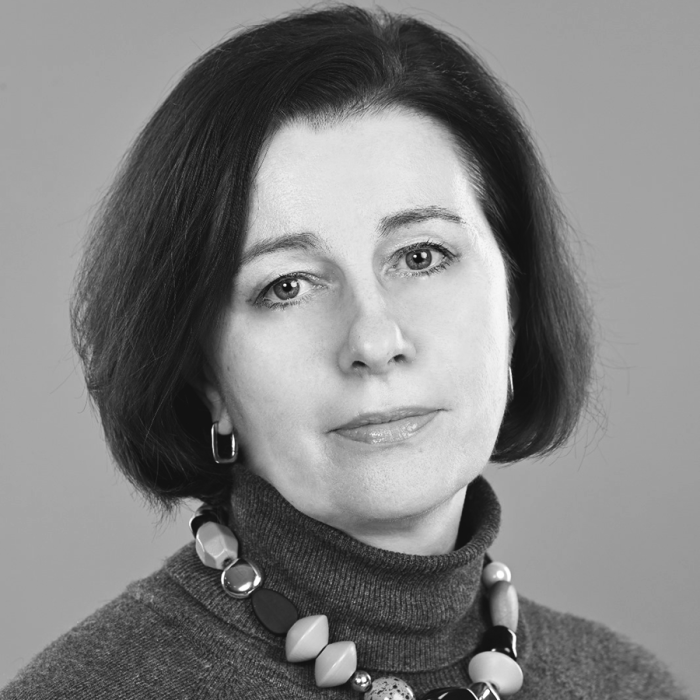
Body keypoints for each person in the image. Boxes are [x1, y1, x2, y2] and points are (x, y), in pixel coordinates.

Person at [1, 5, 689, 699]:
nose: (373, 342)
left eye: (421, 256)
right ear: (205, 373)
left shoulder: (627, 686)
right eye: (288, 286)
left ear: (514, 299)